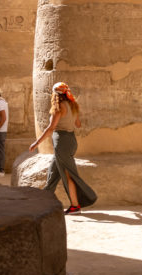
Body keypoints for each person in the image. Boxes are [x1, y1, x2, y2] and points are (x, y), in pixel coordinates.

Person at [29, 81, 97, 214]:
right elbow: (78, 124)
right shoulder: (73, 105)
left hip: (62, 142)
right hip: (71, 141)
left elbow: (50, 128)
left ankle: (75, 206)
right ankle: (44, 200)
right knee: (53, 173)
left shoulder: (59, 107)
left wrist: (37, 143)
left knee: (69, 175)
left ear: (55, 94)